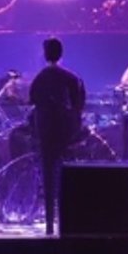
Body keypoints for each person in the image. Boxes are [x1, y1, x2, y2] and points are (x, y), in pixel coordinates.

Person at [27, 38, 86, 234]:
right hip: (66, 130)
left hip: (46, 130)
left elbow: (32, 101)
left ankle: (50, 223)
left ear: (45, 54)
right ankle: (68, 218)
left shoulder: (40, 78)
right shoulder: (72, 78)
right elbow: (79, 106)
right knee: (67, 171)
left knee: (48, 172)